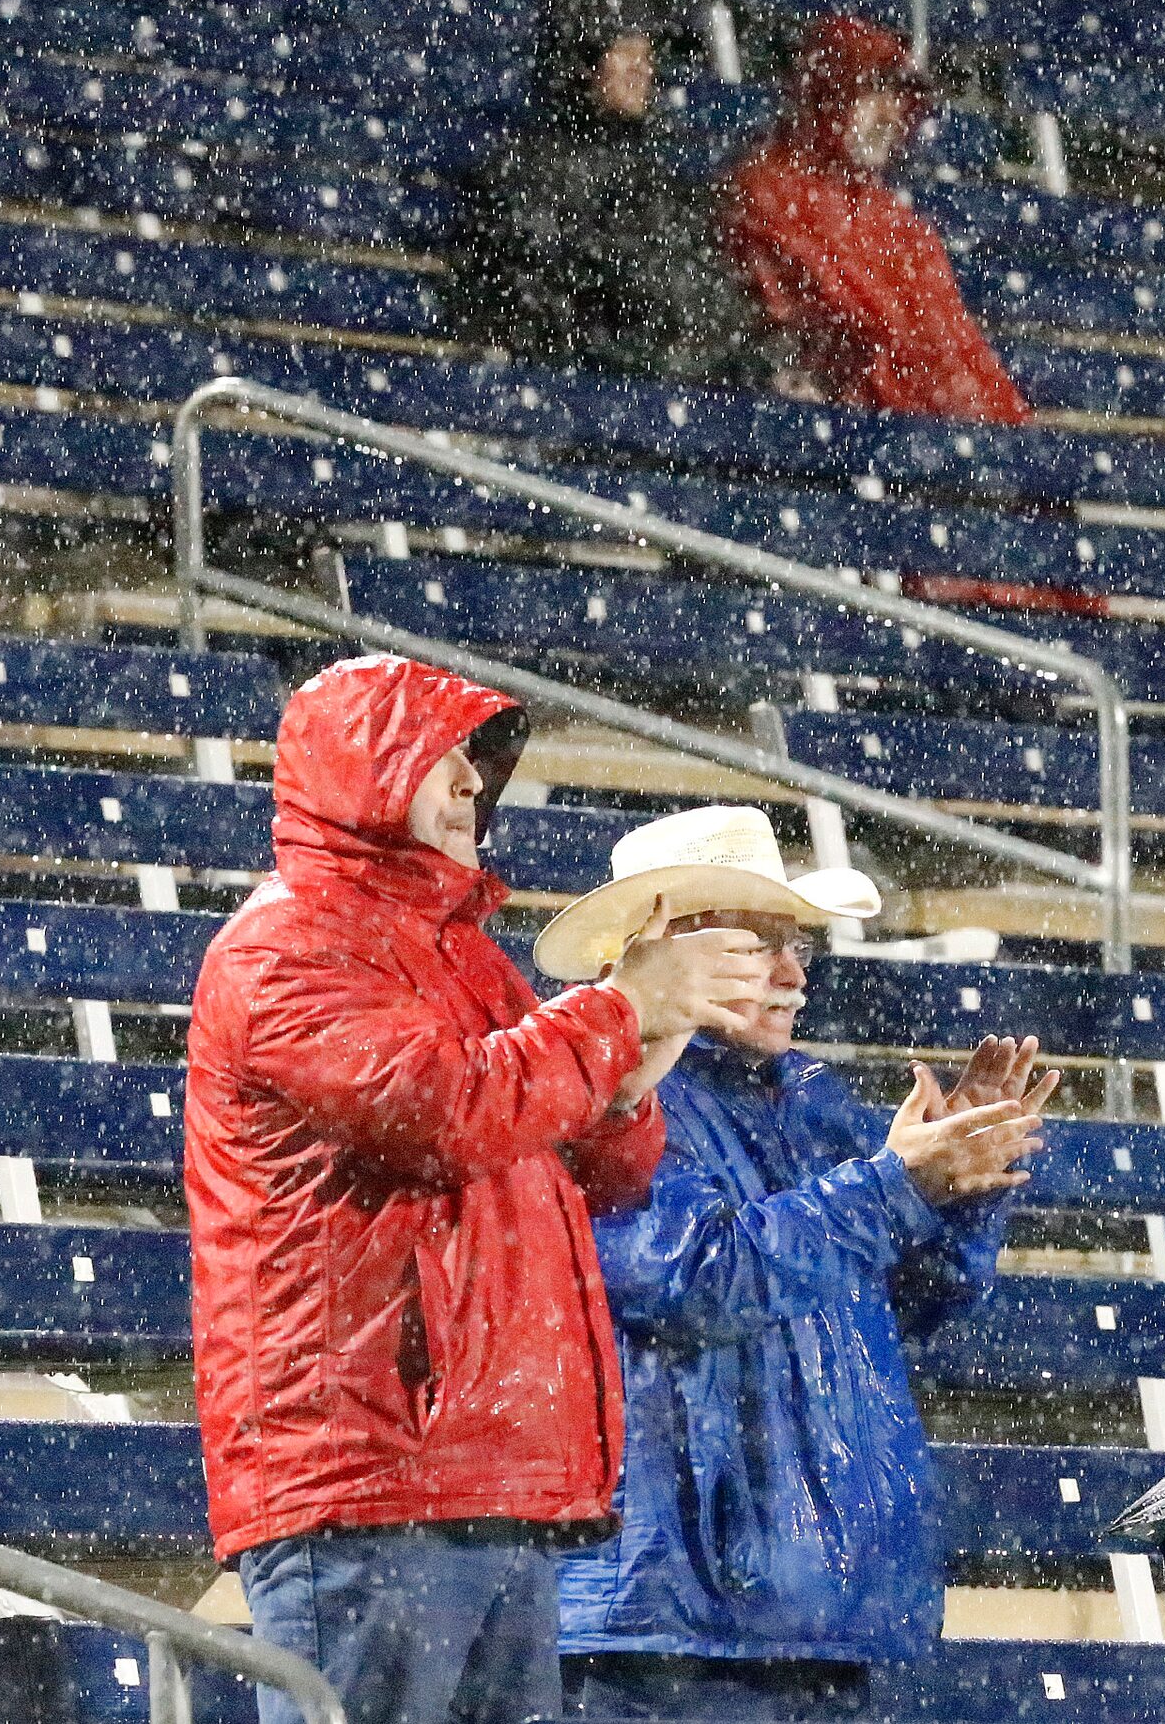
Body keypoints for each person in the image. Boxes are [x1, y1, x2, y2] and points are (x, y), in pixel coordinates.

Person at [188, 656, 777, 1724]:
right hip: (369, 1477)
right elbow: (444, 1110)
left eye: (476, 763)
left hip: (491, 1474)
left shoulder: (465, 958)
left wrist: (653, 1034)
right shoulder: (283, 952)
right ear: (361, 770)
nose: (473, 783)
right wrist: (613, 1011)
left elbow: (607, 1168)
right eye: (444, 757)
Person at [535, 806, 1051, 1719]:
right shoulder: (598, 1093)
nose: (792, 975)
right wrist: (897, 1186)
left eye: (796, 945)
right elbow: (696, 1283)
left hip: (807, 1616)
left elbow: (912, 1310)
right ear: (665, 946)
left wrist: (956, 1190)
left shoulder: (811, 1103)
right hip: (666, 1622)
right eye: (757, 944)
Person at [447, 0, 779, 385]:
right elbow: (531, 304)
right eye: (626, 51)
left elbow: (705, 290)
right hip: (592, 391)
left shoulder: (654, 175)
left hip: (667, 390)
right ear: (582, 62)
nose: (643, 69)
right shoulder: (528, 172)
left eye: (647, 54)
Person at [723, 14, 1035, 424]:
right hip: (854, 436)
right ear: (830, 92)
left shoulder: (896, 221)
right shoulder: (768, 194)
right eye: (874, 93)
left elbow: (959, 348)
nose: (893, 115)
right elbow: (853, 335)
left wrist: (1010, 435)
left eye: (899, 97)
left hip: (918, 440)